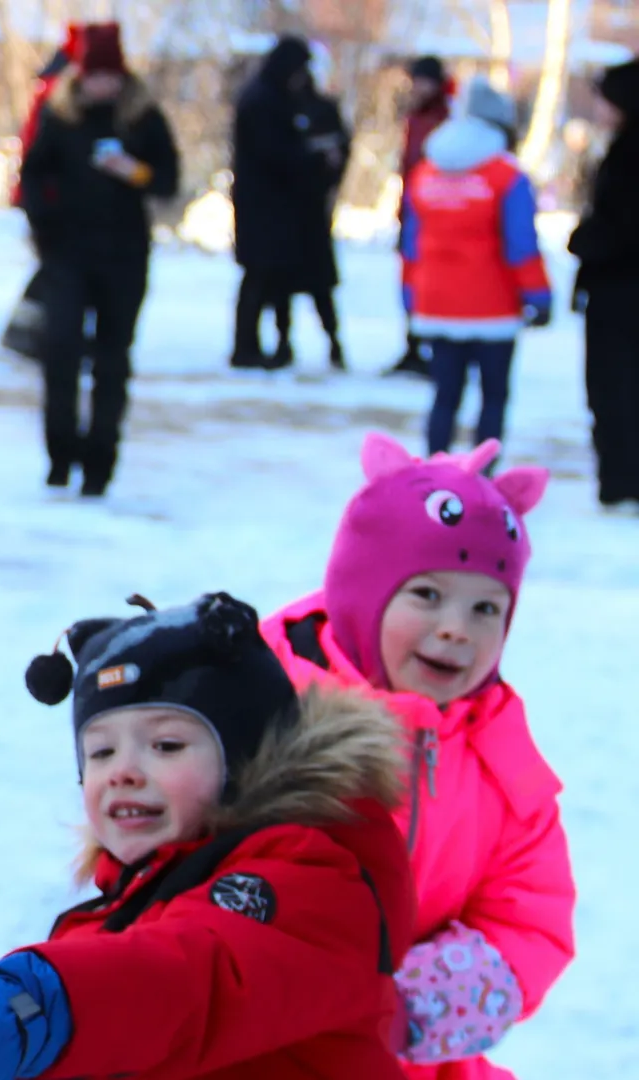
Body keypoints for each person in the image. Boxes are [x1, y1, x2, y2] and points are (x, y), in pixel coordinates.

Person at [0, 592, 415, 1080]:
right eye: (100, 752)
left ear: (249, 759)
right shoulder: (120, 912)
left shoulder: (310, 883)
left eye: (165, 745)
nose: (123, 771)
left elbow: (194, 979)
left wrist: (54, 1001)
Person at [260, 432, 575, 1079]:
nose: (458, 627)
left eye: (487, 607)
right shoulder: (268, 702)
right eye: (427, 595)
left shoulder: (498, 752)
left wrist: (413, 1005)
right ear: (362, 591)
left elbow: (532, 911)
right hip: (253, 1033)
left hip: (401, 1054)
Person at [18, 22, 180, 497]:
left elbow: (167, 180)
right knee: (61, 352)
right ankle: (59, 454)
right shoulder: (60, 114)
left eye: (109, 77)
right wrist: (43, 227)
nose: (102, 87)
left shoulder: (143, 118)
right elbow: (32, 177)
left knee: (112, 361)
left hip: (124, 256)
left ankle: (99, 464)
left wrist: (135, 171)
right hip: (67, 253)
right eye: (94, 77)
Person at [401, 81, 552, 458]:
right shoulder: (506, 176)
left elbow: (410, 243)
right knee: (494, 396)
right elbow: (521, 246)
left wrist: (410, 293)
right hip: (493, 305)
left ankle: (435, 468)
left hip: (436, 301)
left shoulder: (425, 172)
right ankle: (483, 476)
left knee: (444, 394)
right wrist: (539, 295)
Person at [231, 36, 351, 371]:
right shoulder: (263, 102)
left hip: (276, 207)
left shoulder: (273, 98)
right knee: (260, 278)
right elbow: (275, 154)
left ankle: (254, 346)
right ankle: (247, 347)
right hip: (266, 207)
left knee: (267, 277)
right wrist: (314, 160)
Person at [567, 59, 639, 510]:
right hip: (617, 287)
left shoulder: (629, 155)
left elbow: (620, 226)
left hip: (620, 292)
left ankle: (622, 482)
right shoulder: (621, 149)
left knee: (615, 388)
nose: (600, 107)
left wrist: (585, 241)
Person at [1, 22, 86, 364]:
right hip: (48, 194)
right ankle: (31, 332)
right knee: (56, 264)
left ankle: (30, 331)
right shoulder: (60, 89)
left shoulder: (52, 84)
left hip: (45, 191)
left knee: (53, 264)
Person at [389, 56, 455, 379]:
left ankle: (437, 348)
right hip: (413, 208)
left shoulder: (447, 117)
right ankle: (414, 344)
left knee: (435, 283)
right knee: (411, 282)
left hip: (435, 213)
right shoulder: (416, 116)